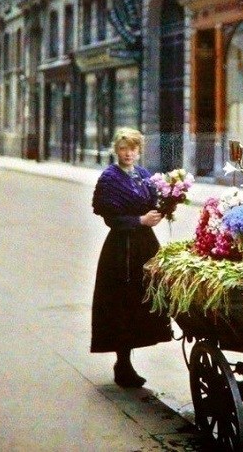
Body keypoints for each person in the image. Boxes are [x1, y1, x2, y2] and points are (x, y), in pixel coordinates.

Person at [91, 127, 172, 387]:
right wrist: (140, 220)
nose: (129, 153)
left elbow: (153, 202)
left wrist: (160, 212)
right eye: (124, 148)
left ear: (139, 151)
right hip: (121, 250)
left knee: (144, 298)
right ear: (117, 150)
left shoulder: (143, 175)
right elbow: (110, 218)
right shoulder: (110, 178)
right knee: (122, 304)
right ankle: (122, 363)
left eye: (133, 148)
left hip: (145, 246)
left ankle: (129, 360)